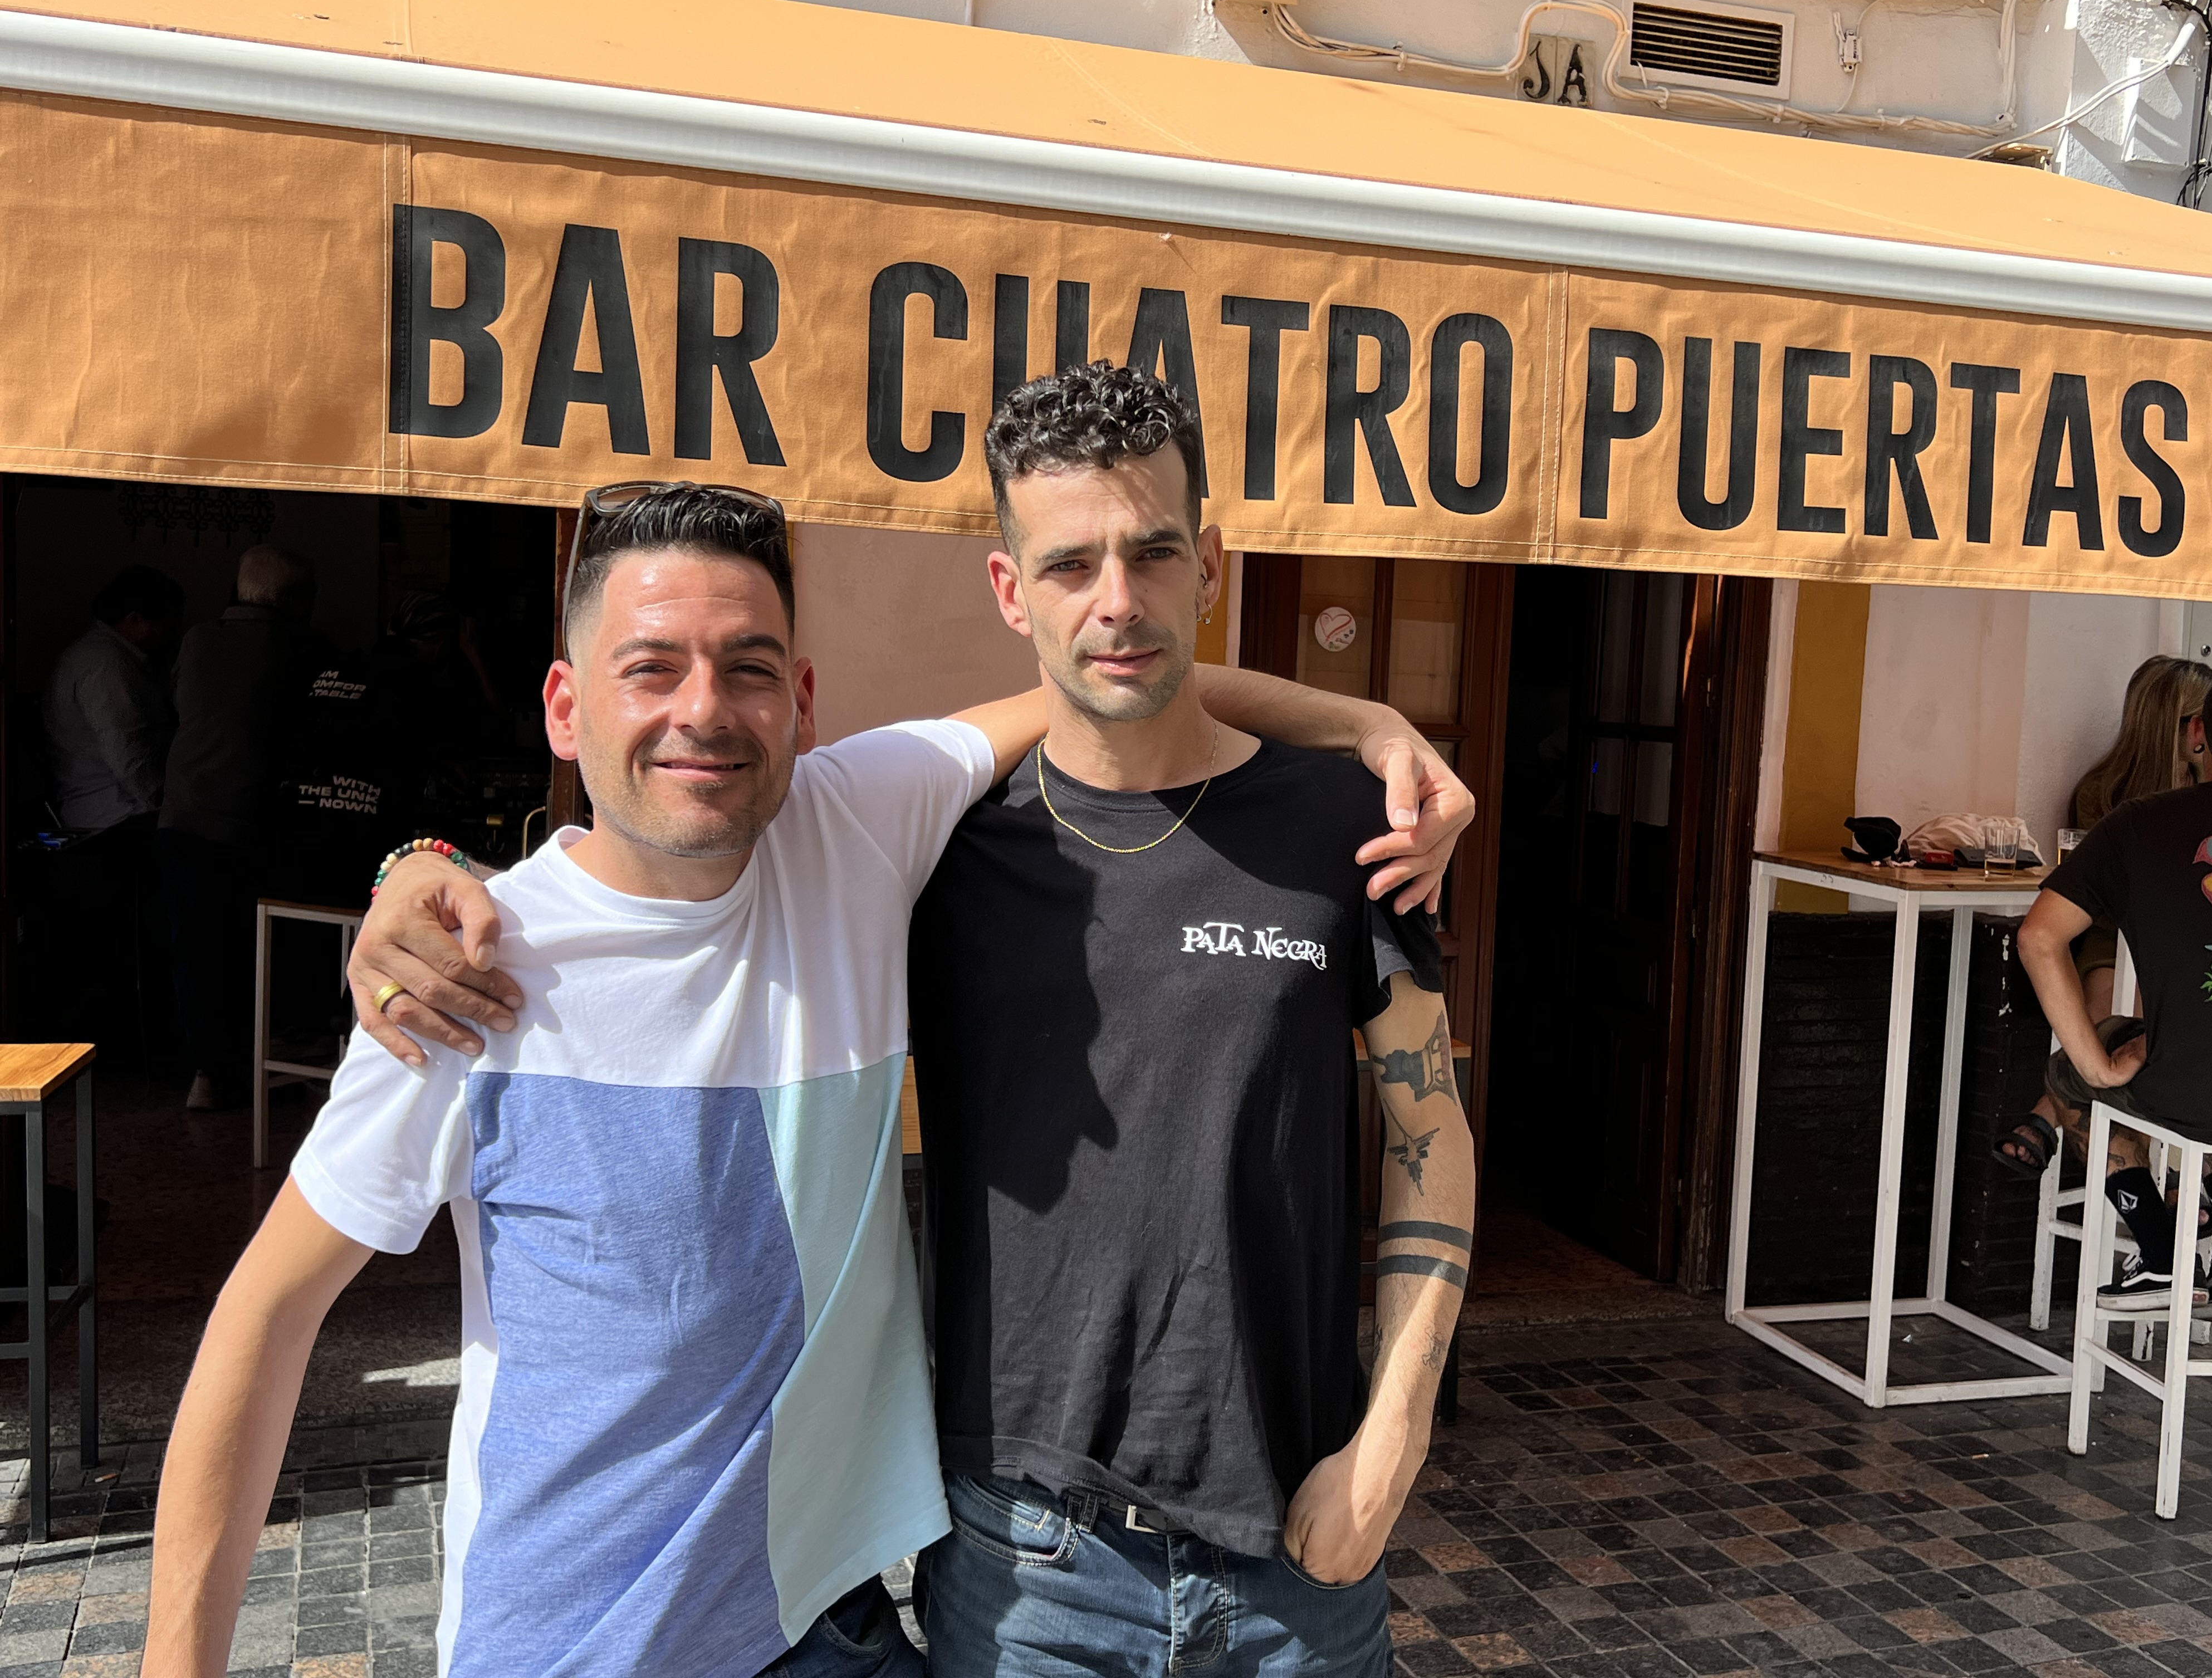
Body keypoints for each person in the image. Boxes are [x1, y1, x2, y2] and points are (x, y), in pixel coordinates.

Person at [152, 482, 1470, 1678]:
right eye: (649, 669)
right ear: (564, 705)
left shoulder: (856, 823)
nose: (702, 712)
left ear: (806, 700)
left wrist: (1364, 724)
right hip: (571, 1645)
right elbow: (262, 1325)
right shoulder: (472, 972)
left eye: (748, 668)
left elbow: (1119, 674)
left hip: (834, 1631)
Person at [907, 364, 1472, 1676]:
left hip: (1298, 1548)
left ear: (1209, 565)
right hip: (1022, 1566)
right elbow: (673, 866)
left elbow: (1428, 1132)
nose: (1118, 601)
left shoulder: (1344, 831)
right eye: (1069, 565)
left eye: (1154, 552)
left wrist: (1396, 1437)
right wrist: (419, 870)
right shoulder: (936, 849)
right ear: (1009, 590)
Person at [1994, 655, 2212, 1302]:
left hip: (2132, 946)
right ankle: (2189, 1209)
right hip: (2139, 943)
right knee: (2139, 1005)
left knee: (2103, 1047)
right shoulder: (2170, 806)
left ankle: (2050, 1119)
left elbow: (2050, 926)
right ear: (2190, 729)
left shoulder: (2123, 795)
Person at [157, 545, 327, 1110]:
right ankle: (283, 1062)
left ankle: (204, 1074)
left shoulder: (198, 640)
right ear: (296, 601)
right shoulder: (305, 651)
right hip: (259, 822)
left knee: (196, 950)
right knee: (269, 950)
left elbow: (181, 710)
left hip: (183, 815)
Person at [43, 562, 184, 834]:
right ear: (134, 620)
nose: (174, 634)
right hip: (116, 814)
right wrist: (171, 805)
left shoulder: (115, 660)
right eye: (167, 625)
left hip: (121, 807)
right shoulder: (105, 667)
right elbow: (130, 755)